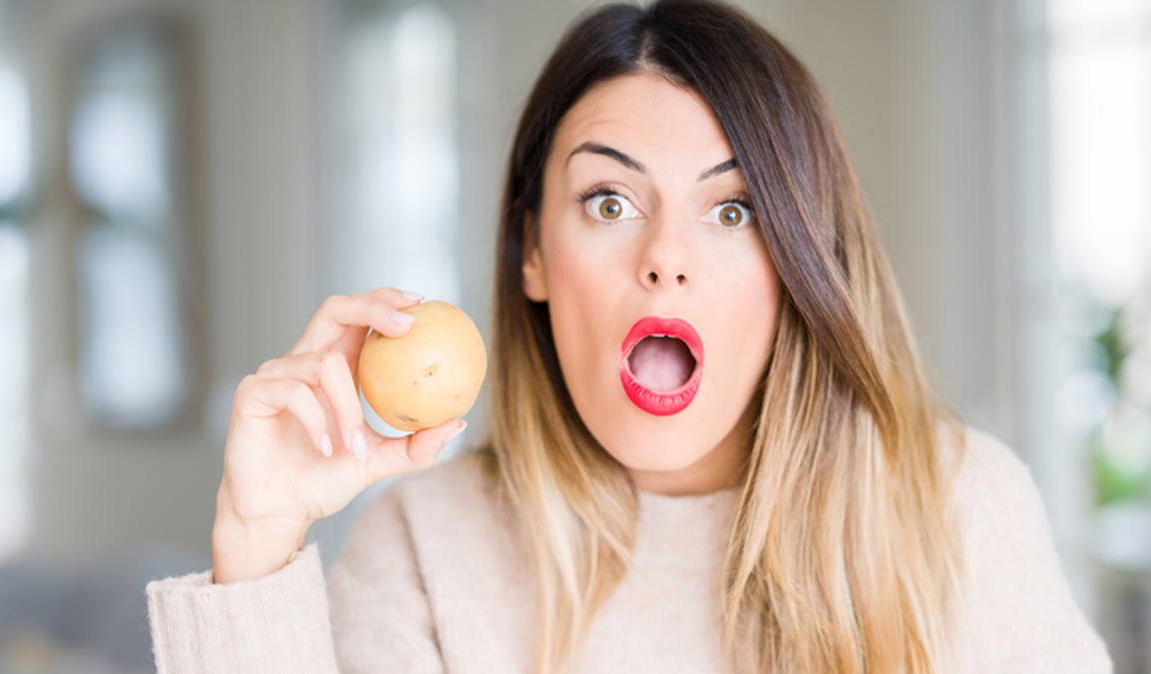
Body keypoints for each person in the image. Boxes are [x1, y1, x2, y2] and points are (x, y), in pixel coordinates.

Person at [145, 1, 1114, 672]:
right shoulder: (427, 545)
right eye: (609, 200)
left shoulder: (954, 509)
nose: (665, 258)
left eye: (732, 211)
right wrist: (257, 542)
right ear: (531, 248)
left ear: (800, 262)